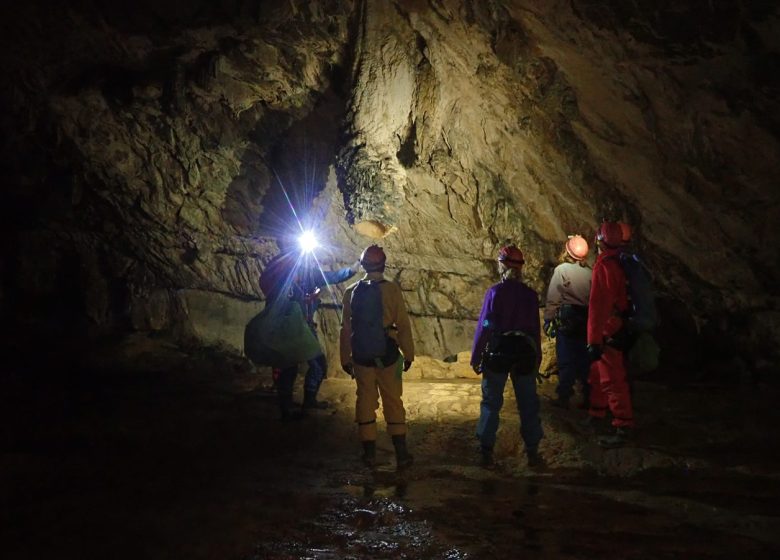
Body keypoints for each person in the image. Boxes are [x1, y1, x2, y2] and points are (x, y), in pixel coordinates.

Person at [339, 245, 415, 469]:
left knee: (365, 401)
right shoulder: (391, 290)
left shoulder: (351, 292)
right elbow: (402, 325)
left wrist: (345, 358)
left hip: (362, 356)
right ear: (383, 264)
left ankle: (369, 455)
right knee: (393, 401)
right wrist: (409, 354)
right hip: (388, 354)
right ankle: (401, 454)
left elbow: (345, 328)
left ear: (363, 265)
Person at [471, 245, 544, 468]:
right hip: (524, 351)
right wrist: (537, 358)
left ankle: (486, 451)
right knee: (528, 403)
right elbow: (534, 328)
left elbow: (485, 324)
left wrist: (476, 355)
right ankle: (532, 452)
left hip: (499, 350)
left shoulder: (495, 292)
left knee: (492, 402)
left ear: (502, 264)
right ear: (521, 268)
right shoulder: (530, 296)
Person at [586, 222, 634, 447]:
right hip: (618, 324)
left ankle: (623, 425)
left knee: (611, 379)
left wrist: (594, 340)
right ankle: (596, 413)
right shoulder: (620, 263)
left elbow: (597, 306)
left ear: (600, 242)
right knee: (597, 373)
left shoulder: (603, 266)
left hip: (607, 329)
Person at [292, 257, 360, 411]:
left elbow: (333, 276)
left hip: (302, 325)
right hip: (297, 326)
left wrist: (353, 269)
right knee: (316, 365)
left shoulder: (308, 274)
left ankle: (301, 403)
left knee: (313, 365)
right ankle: (301, 404)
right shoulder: (292, 275)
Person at [543, 235, 592, 409]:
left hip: (567, 317)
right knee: (585, 358)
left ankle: (564, 396)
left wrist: (548, 319)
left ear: (567, 251)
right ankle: (588, 396)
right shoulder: (590, 272)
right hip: (586, 319)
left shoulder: (562, 270)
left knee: (566, 358)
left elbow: (554, 297)